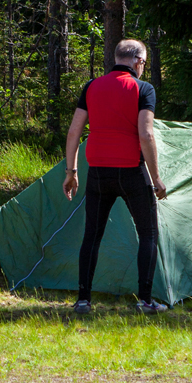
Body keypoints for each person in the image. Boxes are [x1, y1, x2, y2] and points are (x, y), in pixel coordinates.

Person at [63, 39, 168, 315]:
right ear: (138, 62)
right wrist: (156, 178)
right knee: (148, 234)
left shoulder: (92, 86)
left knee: (92, 235)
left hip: (98, 171)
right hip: (132, 170)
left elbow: (74, 132)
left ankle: (83, 300)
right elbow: (146, 134)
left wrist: (72, 172)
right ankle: (145, 301)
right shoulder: (143, 89)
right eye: (144, 63)